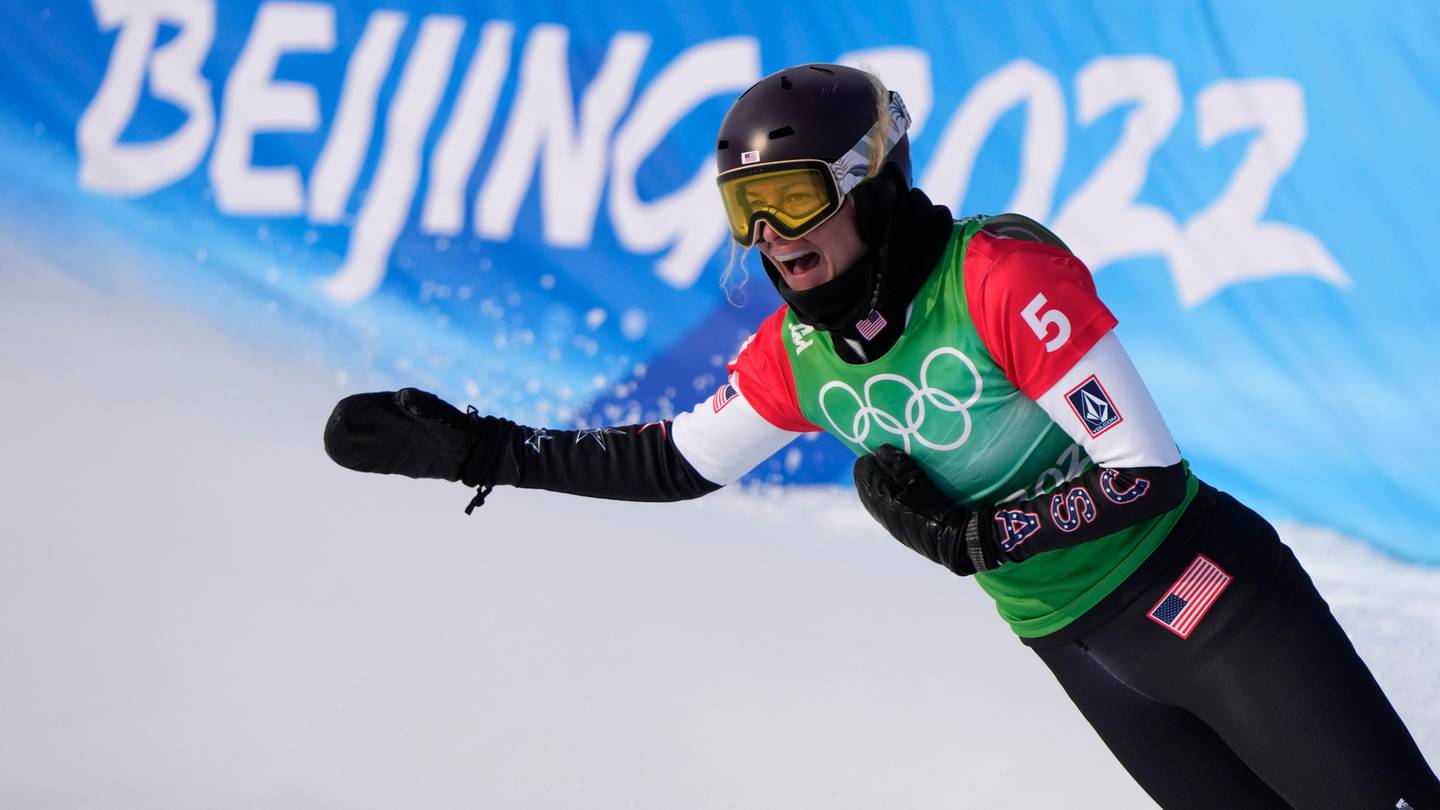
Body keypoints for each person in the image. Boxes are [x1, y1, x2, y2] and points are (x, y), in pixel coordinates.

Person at [323, 64, 1440, 808]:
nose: (770, 237)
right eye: (744, 210)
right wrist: (487, 452)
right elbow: (672, 462)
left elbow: (1146, 475)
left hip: (1206, 601)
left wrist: (980, 539)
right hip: (1084, 651)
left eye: (795, 198)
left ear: (873, 180)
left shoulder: (999, 277)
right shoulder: (797, 355)